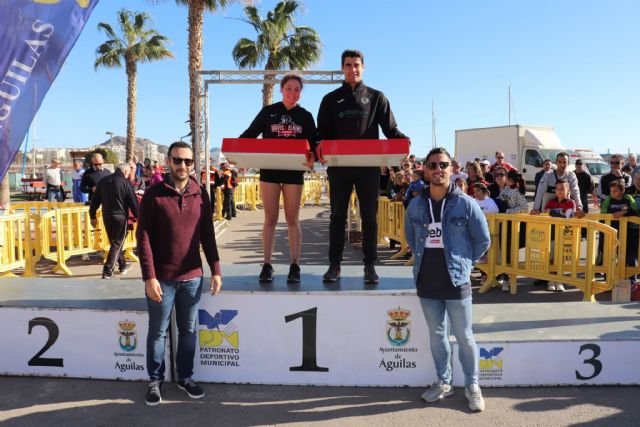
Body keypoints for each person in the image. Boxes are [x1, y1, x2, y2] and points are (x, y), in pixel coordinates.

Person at [404, 147, 490, 413]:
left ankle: (472, 384)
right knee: (437, 335)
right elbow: (410, 237)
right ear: (425, 171)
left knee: (464, 336)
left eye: (443, 165)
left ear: (451, 169)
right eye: (432, 165)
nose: (437, 169)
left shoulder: (465, 203)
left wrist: (465, 263)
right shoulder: (416, 204)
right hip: (427, 280)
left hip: (457, 280)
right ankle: (444, 381)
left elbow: (483, 240)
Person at [136, 141, 222, 406]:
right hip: (161, 279)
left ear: (193, 164)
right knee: (157, 332)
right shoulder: (153, 194)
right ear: (168, 161)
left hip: (192, 278)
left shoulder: (200, 193)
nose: (182, 165)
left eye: (187, 161)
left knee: (188, 331)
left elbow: (208, 235)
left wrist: (216, 270)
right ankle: (155, 380)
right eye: (177, 160)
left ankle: (185, 377)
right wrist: (149, 277)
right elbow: (143, 238)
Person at [317, 49, 408, 284]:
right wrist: (317, 149)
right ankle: (334, 265)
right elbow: (321, 135)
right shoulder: (330, 99)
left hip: (368, 168)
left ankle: (370, 266)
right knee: (337, 217)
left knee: (369, 218)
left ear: (363, 67)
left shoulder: (376, 97)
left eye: (356, 65)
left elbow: (391, 130)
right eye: (348, 65)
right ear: (342, 68)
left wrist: (404, 143)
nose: (352, 69)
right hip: (339, 168)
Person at [239, 74, 317, 283]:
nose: (292, 93)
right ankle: (267, 265)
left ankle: (295, 265)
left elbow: (315, 144)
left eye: (297, 89)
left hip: (294, 172)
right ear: (281, 89)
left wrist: (314, 157)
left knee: (292, 219)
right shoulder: (268, 111)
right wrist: (236, 152)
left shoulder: (306, 116)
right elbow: (249, 134)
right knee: (270, 219)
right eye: (288, 88)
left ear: (300, 92)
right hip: (270, 172)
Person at [90, 163, 139, 279]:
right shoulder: (126, 182)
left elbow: (94, 201)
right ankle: (107, 272)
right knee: (117, 243)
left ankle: (122, 265)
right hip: (121, 217)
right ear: (125, 172)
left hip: (107, 216)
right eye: (129, 173)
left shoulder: (103, 181)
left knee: (115, 243)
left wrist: (92, 216)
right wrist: (139, 217)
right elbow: (133, 203)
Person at [532, 152, 583, 216]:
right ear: (556, 163)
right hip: (548, 210)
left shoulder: (571, 175)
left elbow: (575, 192)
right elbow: (540, 192)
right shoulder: (548, 175)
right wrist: (535, 208)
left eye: (564, 162)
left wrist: (579, 208)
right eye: (559, 162)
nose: (562, 164)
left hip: (565, 209)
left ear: (568, 163)